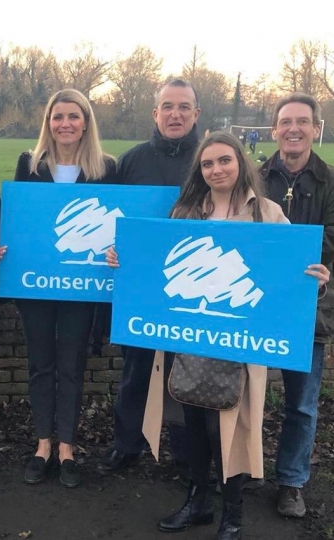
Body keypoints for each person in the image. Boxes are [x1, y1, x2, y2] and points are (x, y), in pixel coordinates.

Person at [107, 131, 329, 539]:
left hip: (238, 346)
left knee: (227, 429)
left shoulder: (267, 213)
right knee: (192, 423)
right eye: (207, 164)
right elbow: (156, 264)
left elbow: (287, 272)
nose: (216, 169)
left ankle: (233, 512)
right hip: (190, 341)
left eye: (224, 160)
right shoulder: (186, 211)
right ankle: (198, 503)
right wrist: (123, 258)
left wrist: (313, 283)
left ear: (240, 163)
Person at [9, 89, 117, 488]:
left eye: (73, 116)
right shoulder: (29, 164)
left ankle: (67, 447)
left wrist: (116, 252)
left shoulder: (106, 168)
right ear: (48, 123)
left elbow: (117, 226)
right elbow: (19, 220)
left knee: (71, 366)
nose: (65, 123)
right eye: (58, 117)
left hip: (81, 286)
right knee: (41, 364)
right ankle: (42, 445)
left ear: (86, 123)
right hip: (37, 284)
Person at [99, 78, 201, 474]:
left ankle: (185, 456)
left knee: (186, 374)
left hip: (191, 284)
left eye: (184, 107)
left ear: (196, 114)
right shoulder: (131, 161)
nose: (176, 114)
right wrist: (111, 250)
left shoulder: (210, 160)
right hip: (139, 287)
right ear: (155, 113)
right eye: (168, 107)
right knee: (135, 371)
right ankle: (127, 446)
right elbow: (110, 220)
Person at [259, 93, 334, 518]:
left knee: (301, 404)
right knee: (244, 395)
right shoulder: (254, 176)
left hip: (309, 309)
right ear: (274, 130)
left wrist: (294, 262)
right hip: (254, 304)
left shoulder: (331, 182)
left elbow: (331, 241)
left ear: (315, 129)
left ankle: (291, 481)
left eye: (302, 121)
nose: (293, 128)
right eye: (286, 121)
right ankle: (242, 470)